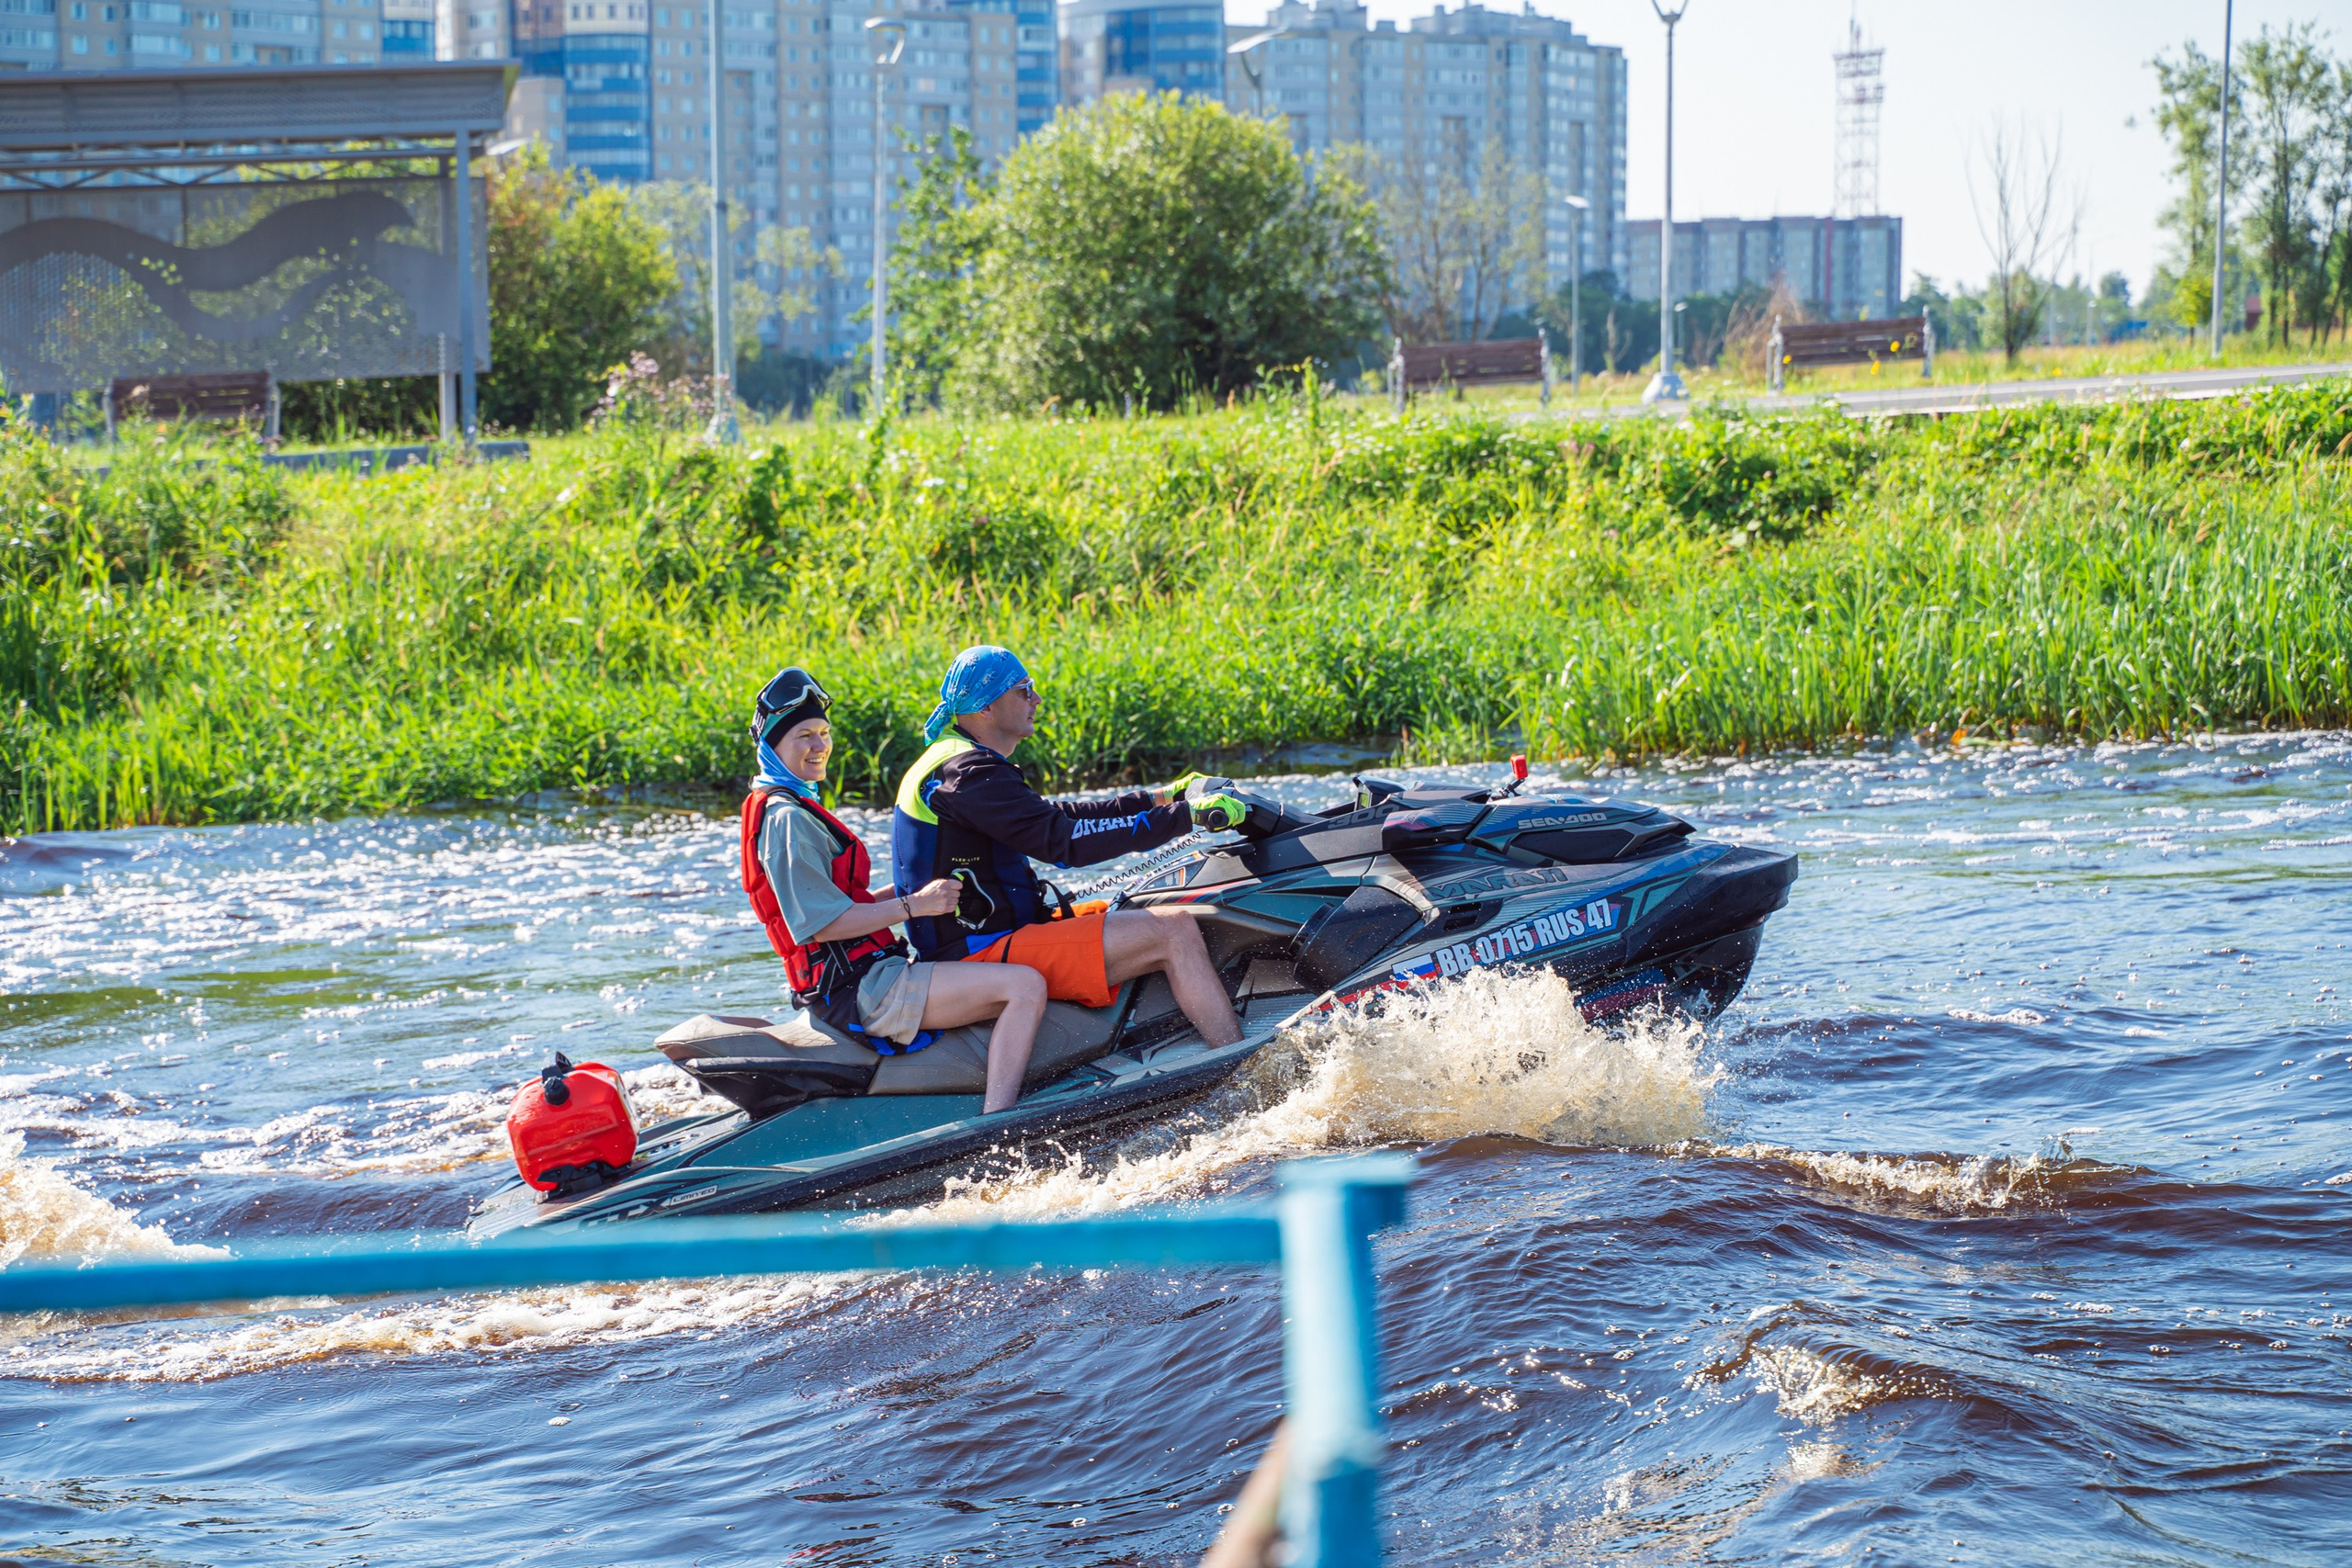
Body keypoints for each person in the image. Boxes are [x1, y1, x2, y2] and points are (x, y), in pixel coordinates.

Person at [890, 646, 1247, 1049]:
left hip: (989, 938)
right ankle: (1238, 1064)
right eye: (1024, 690)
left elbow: (1057, 815)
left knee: (1141, 902)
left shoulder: (952, 760)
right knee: (1175, 931)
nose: (1037, 699)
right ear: (986, 708)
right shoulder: (970, 773)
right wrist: (1187, 818)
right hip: (977, 955)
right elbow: (1066, 843)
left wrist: (1160, 797)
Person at [741, 667, 1047, 1114]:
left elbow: (839, 905)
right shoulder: (787, 819)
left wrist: (910, 892)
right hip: (862, 991)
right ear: (773, 746)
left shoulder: (789, 805)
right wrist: (914, 905)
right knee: (1024, 986)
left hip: (860, 978)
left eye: (823, 733)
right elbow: (822, 926)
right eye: (803, 736)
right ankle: (999, 1118)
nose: (818, 746)